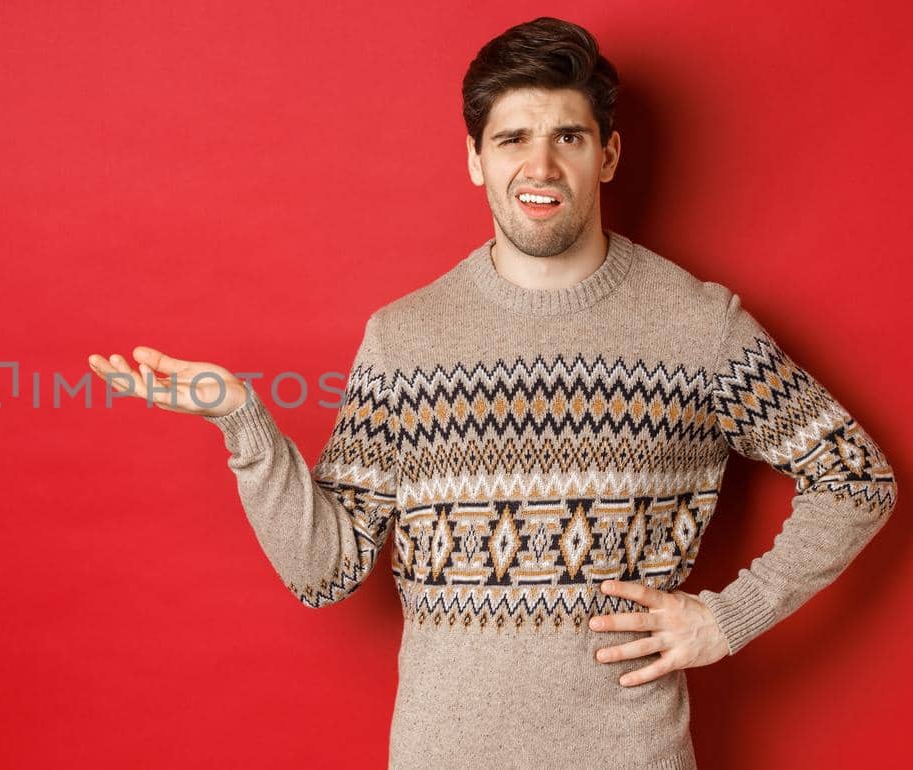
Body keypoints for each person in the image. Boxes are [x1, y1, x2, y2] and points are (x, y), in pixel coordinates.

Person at [85, 15, 898, 769]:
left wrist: (727, 619)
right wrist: (244, 422)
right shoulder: (405, 339)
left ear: (607, 155)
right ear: (476, 158)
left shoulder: (698, 326)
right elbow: (325, 571)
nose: (539, 166)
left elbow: (855, 478)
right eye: (512, 139)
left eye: (567, 137)